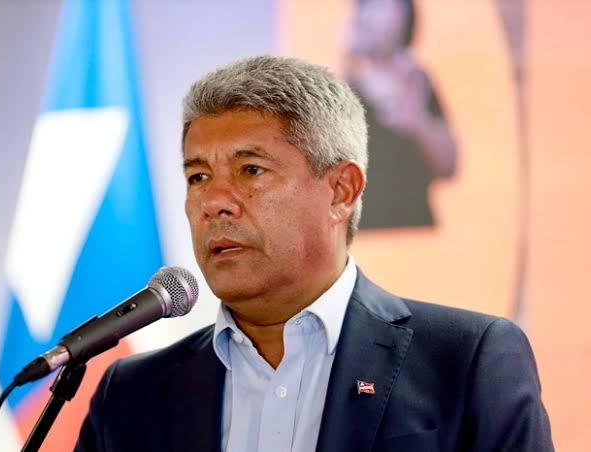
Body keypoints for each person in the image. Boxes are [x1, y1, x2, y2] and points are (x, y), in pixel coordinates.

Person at [75, 55, 552, 451]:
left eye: (251, 170)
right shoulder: (131, 395)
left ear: (341, 191)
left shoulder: (466, 361)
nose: (214, 202)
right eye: (198, 176)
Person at [345, 0, 458, 229]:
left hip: (415, 228)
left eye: (388, 8)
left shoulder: (417, 81)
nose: (378, 18)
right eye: (371, 8)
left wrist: (418, 122)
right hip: (364, 231)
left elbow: (449, 165)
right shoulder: (345, 87)